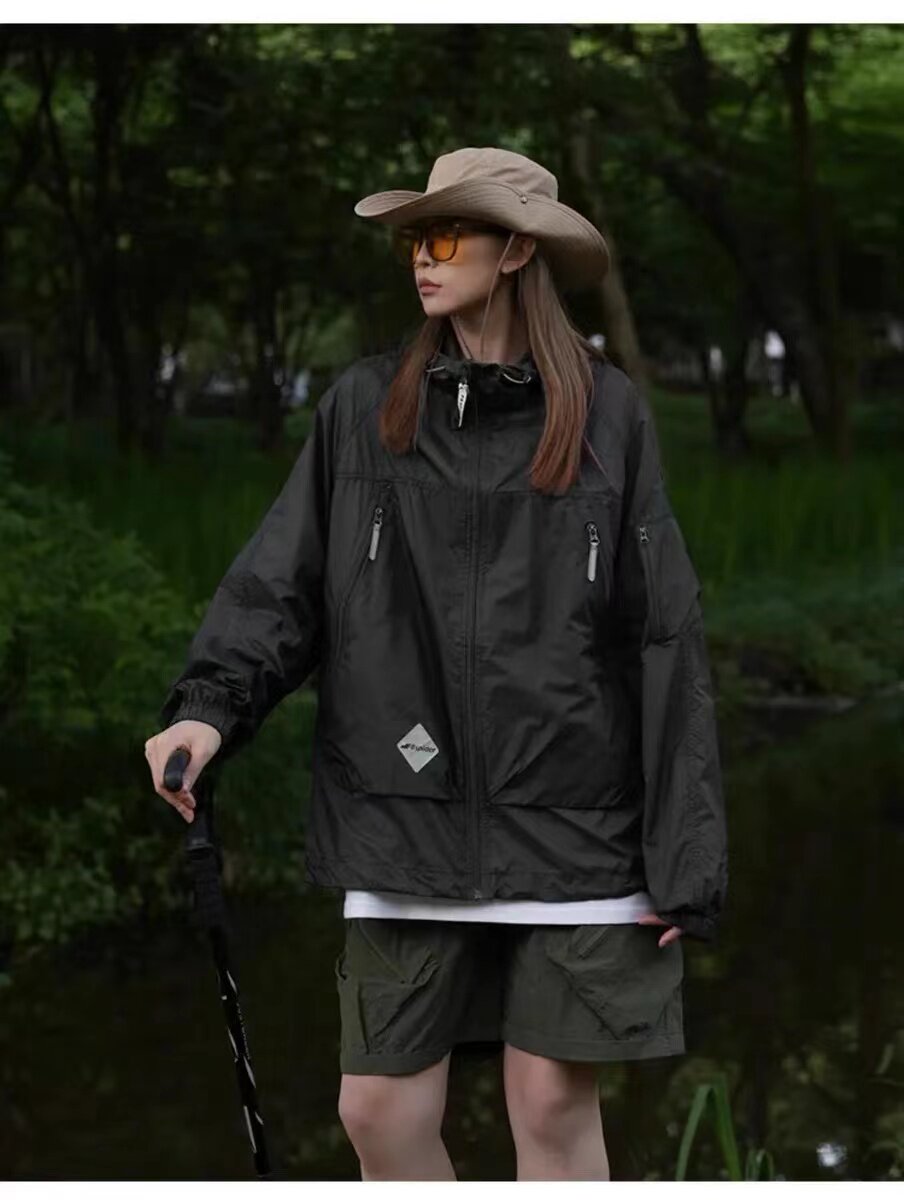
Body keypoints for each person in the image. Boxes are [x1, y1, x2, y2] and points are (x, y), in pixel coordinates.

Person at [145, 146, 728, 1181]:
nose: (422, 255)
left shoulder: (609, 415)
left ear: (516, 251)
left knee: (548, 1102)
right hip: (401, 816)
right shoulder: (364, 408)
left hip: (578, 828)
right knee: (376, 1111)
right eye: (415, 236)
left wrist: (685, 863)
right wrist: (207, 707)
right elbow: (283, 582)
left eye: (446, 234)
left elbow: (664, 636)